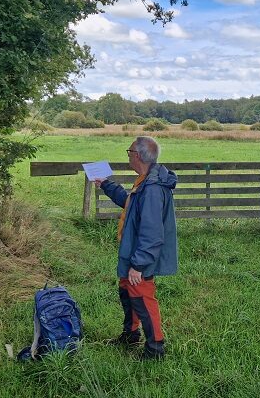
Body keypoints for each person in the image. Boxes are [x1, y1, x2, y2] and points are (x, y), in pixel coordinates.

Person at [94, 136, 178, 360]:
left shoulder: (152, 188)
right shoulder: (144, 180)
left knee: (142, 295)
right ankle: (131, 334)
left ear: (138, 155)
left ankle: (155, 348)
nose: (128, 154)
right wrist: (106, 184)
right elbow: (130, 202)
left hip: (140, 256)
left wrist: (138, 265)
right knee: (127, 291)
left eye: (129, 151)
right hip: (131, 251)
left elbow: (152, 233)